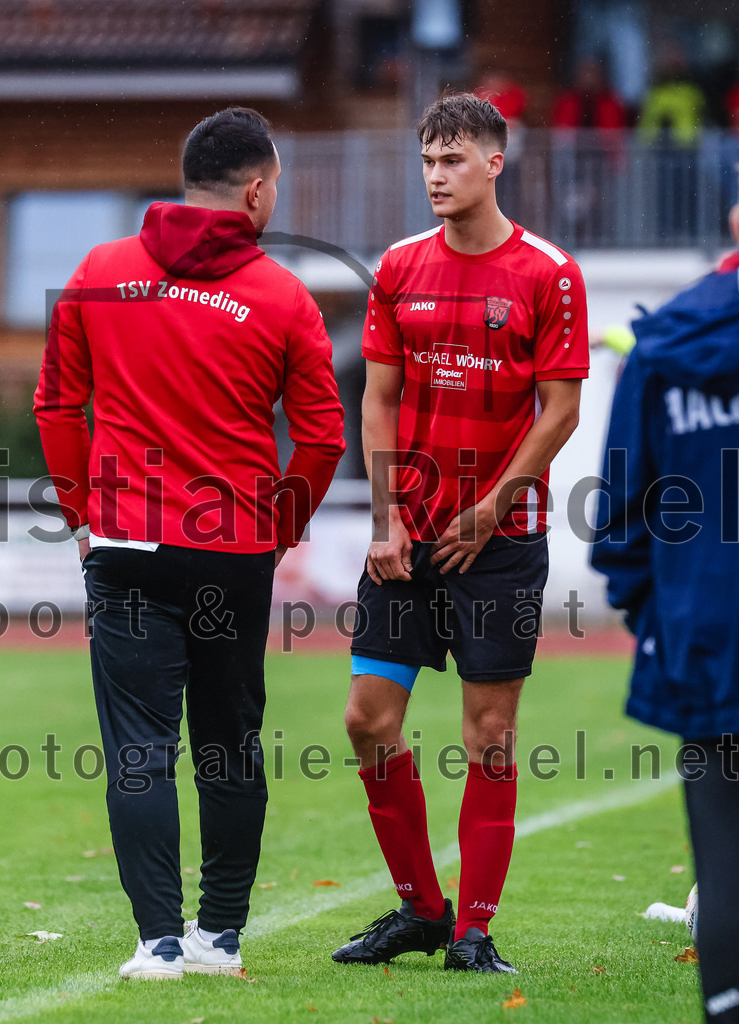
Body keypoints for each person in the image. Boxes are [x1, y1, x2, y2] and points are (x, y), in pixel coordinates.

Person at [33, 107, 345, 980]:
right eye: (275, 184)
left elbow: (57, 406)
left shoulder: (99, 273)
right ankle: (221, 937)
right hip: (234, 549)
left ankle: (159, 942)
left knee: (138, 746)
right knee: (228, 744)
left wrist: (82, 518)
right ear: (254, 190)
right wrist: (277, 531)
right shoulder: (283, 296)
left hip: (128, 543)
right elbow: (321, 438)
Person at [332, 93, 588, 974]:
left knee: (489, 735)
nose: (436, 177)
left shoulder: (548, 272)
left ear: (494, 164)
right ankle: (421, 911)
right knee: (369, 721)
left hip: (501, 540)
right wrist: (386, 514)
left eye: (452, 161)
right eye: (427, 163)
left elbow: (561, 411)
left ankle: (474, 930)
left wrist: (491, 508)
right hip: (406, 535)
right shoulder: (399, 266)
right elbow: (378, 398)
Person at [591, 206, 739, 1024]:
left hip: (704, 634)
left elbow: (620, 513)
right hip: (699, 626)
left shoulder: (663, 342)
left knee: (723, 868)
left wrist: (663, 608)